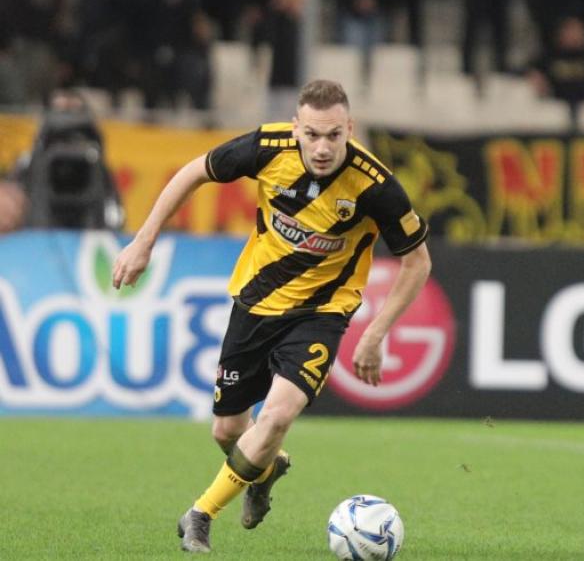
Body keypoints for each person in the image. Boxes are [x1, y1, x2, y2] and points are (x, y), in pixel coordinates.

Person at [112, 79, 431, 553]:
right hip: (255, 304)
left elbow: (418, 261)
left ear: (349, 129)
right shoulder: (267, 147)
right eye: (312, 135)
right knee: (228, 431)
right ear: (296, 127)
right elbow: (193, 172)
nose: (322, 148)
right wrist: (143, 241)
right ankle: (266, 471)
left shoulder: (375, 185)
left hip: (322, 312)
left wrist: (375, 334)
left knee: (277, 416)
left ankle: (200, 514)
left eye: (334, 136)